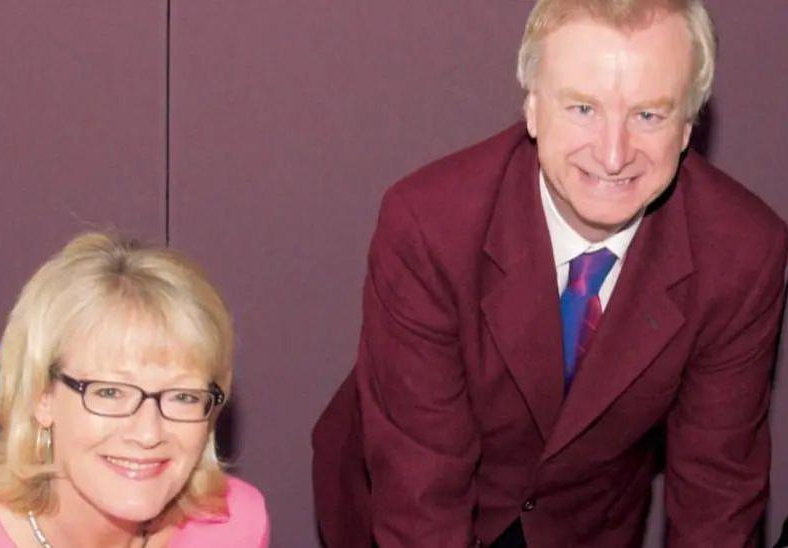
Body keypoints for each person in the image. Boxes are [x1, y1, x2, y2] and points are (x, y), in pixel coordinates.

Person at [312, 1, 787, 547]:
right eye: (583, 108)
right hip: (410, 505)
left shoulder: (741, 255)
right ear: (533, 109)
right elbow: (423, 500)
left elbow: (717, 497)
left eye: (648, 115)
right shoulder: (429, 226)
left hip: (588, 523)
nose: (613, 155)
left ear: (686, 128)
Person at [0, 232, 269, 547]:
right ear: (42, 396)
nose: (148, 433)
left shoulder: (234, 526)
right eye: (110, 392)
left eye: (183, 397)